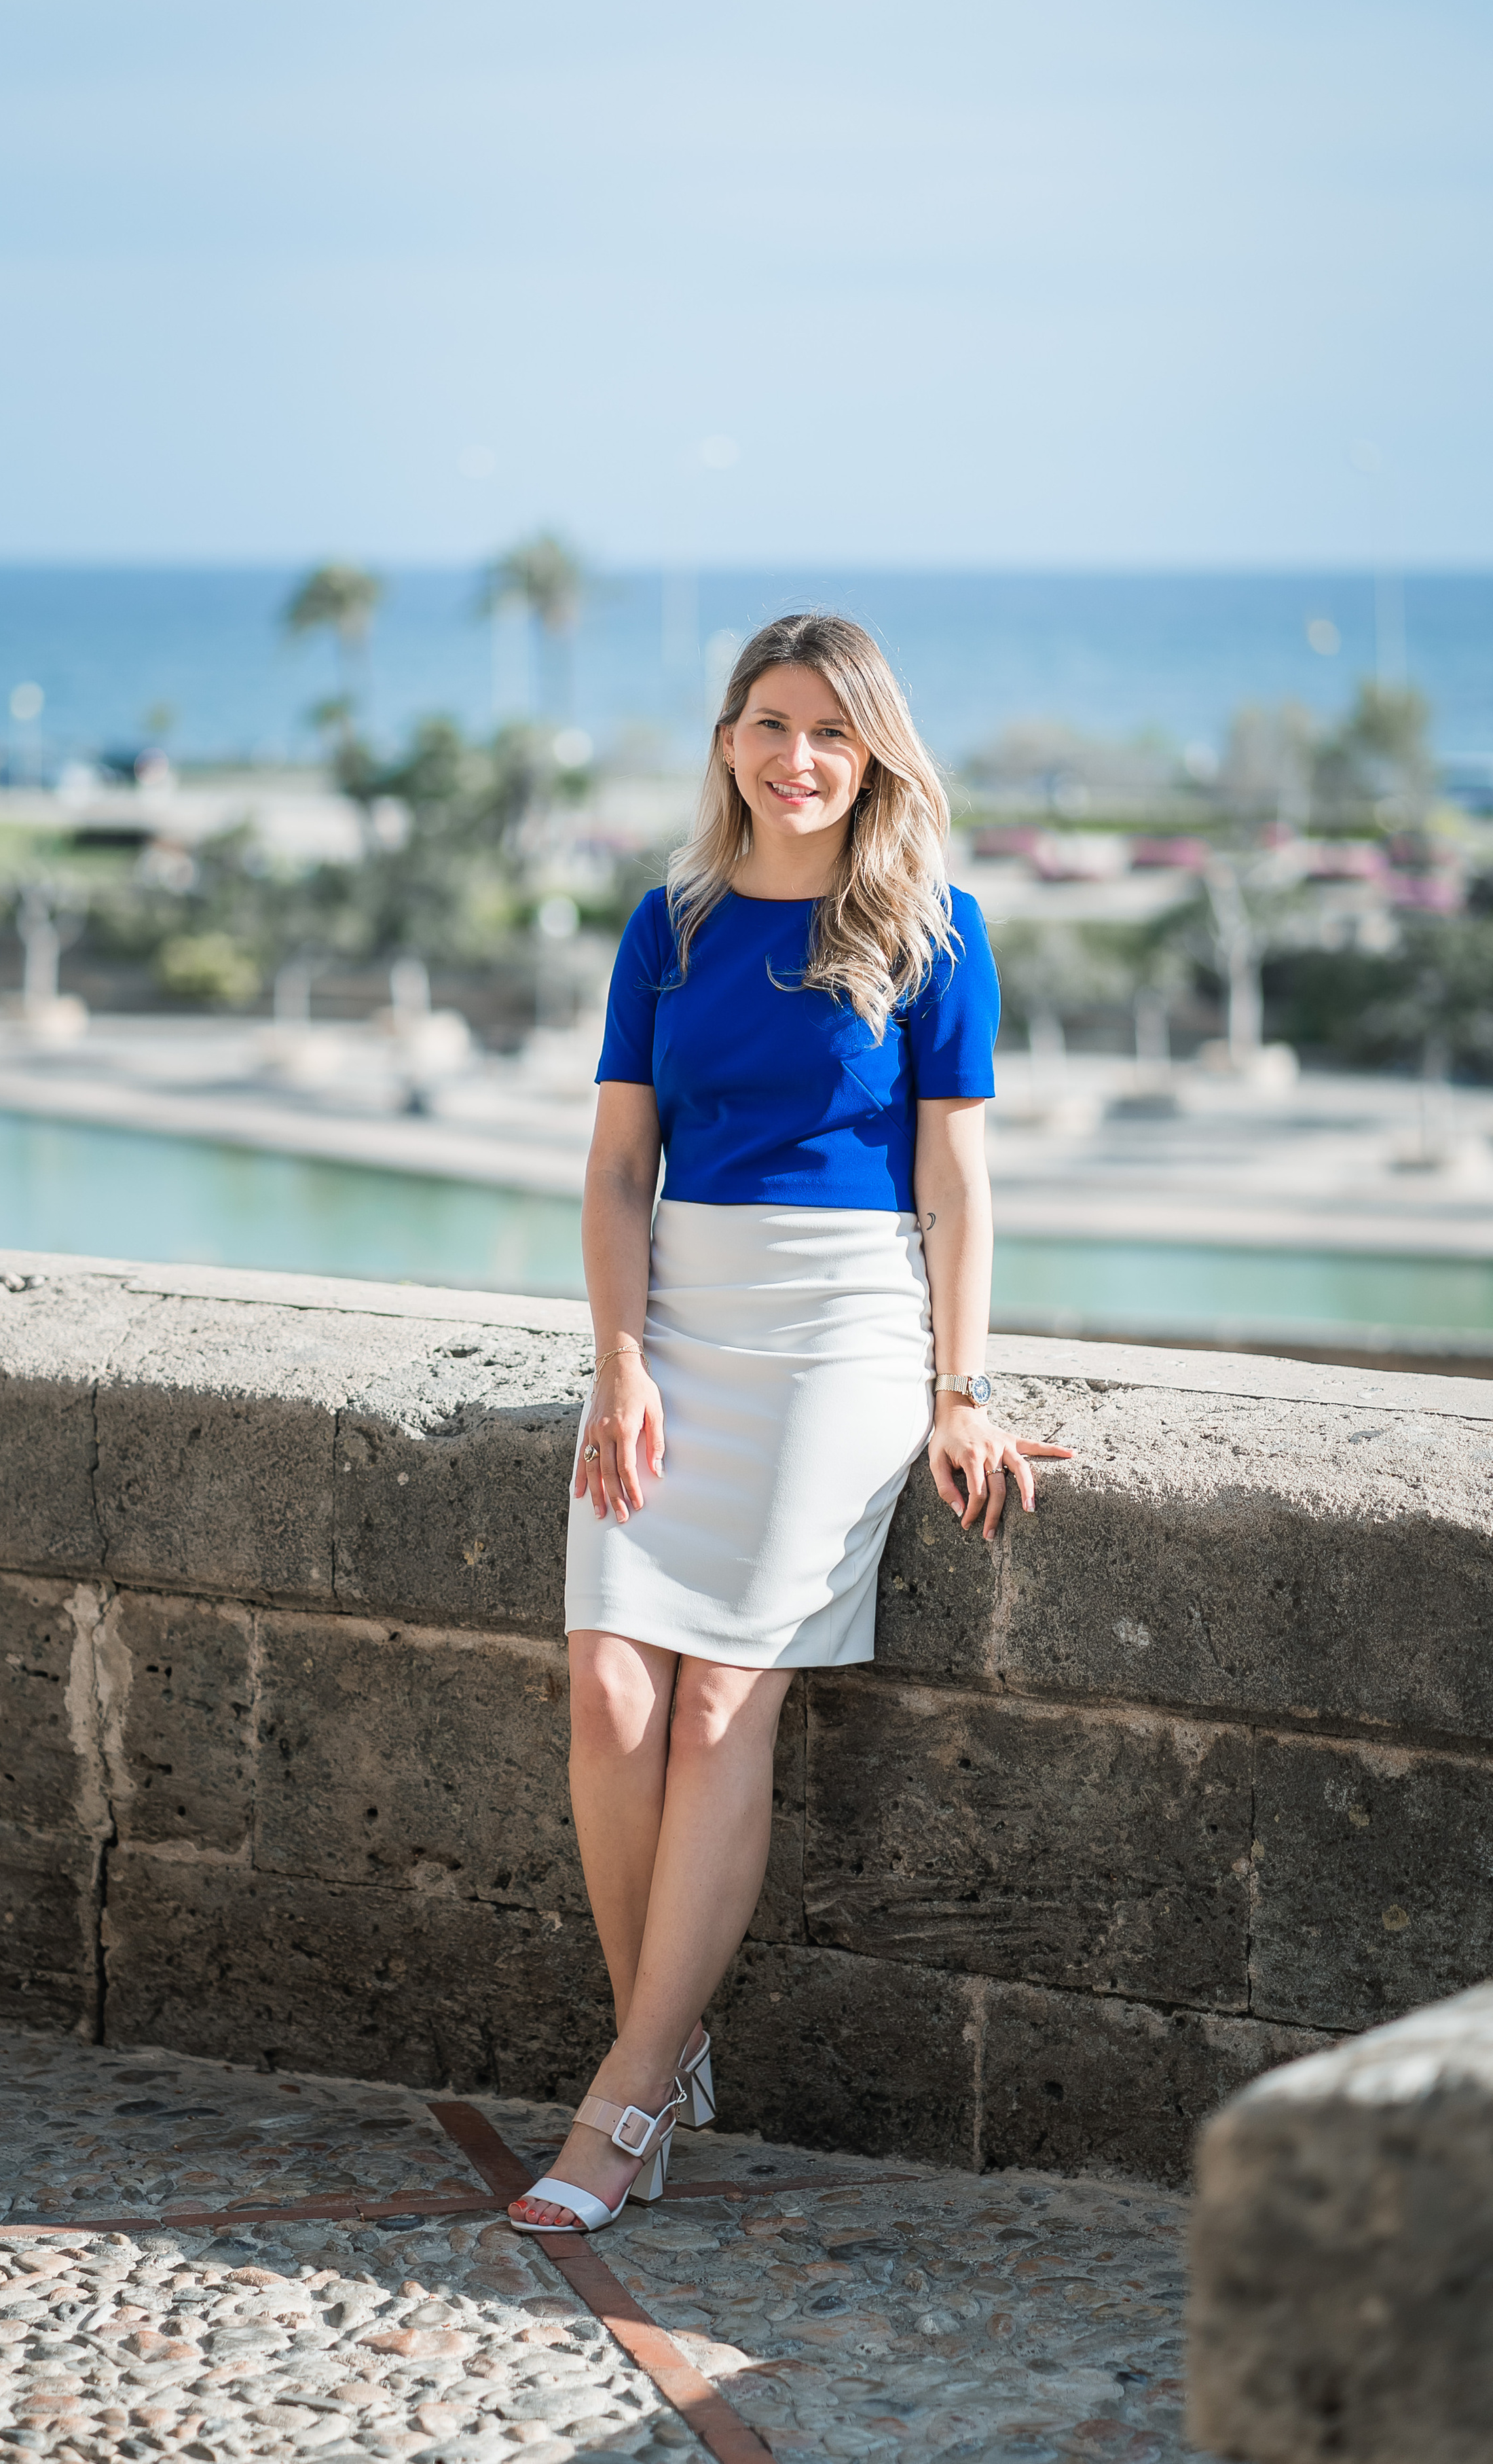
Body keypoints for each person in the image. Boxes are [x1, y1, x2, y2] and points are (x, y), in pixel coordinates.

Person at [508, 612, 1072, 2234]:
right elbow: (620, 1167)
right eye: (768, 722)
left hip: (838, 1334)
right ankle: (663, 2054)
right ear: (728, 740)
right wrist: (620, 1360)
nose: (795, 756)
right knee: (610, 1690)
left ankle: (620, 2107)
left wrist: (957, 1390)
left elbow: (952, 1181)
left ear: (872, 753)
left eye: (830, 731)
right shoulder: (666, 929)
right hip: (676, 1323)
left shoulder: (932, 928)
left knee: (713, 1711)